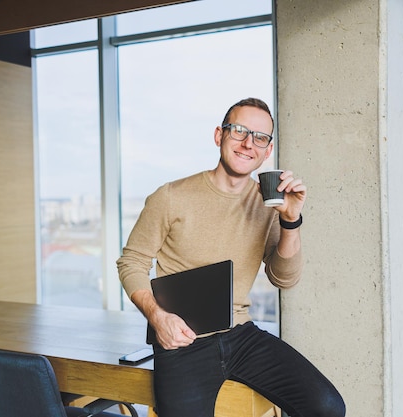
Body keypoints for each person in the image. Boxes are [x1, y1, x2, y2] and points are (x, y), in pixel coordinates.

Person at [117, 98, 345, 417]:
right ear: (219, 136)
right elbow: (131, 263)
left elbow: (284, 277)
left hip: (240, 335)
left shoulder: (269, 205)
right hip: (182, 341)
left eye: (260, 137)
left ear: (267, 151)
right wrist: (158, 318)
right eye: (239, 131)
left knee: (327, 407)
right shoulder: (170, 197)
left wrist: (290, 220)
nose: (248, 143)